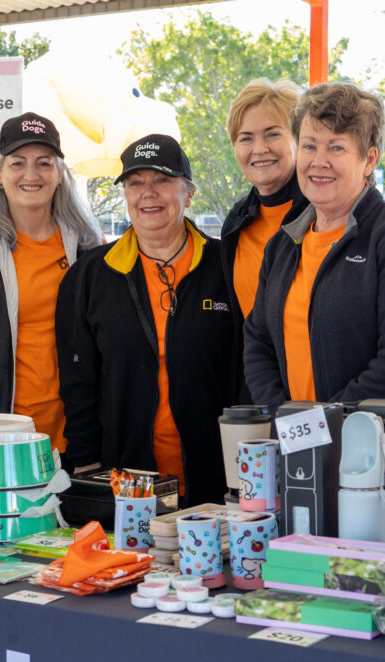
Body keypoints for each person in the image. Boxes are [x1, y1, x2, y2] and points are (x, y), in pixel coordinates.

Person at [226, 79, 385, 474]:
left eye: (336, 147)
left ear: (368, 159)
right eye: (308, 145)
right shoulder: (284, 246)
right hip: (306, 457)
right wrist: (287, 421)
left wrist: (321, 427)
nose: (317, 161)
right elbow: (258, 342)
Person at [57, 134, 238, 506]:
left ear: (188, 193)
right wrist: (87, 462)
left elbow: (247, 372)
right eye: (135, 183)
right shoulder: (90, 276)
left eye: (162, 181)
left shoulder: (227, 267)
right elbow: (78, 381)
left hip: (216, 475)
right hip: (125, 477)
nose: (148, 193)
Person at [0, 112, 103, 454]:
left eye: (44, 163)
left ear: (59, 175)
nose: (31, 174)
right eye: (17, 163)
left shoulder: (87, 243)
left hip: (77, 434)